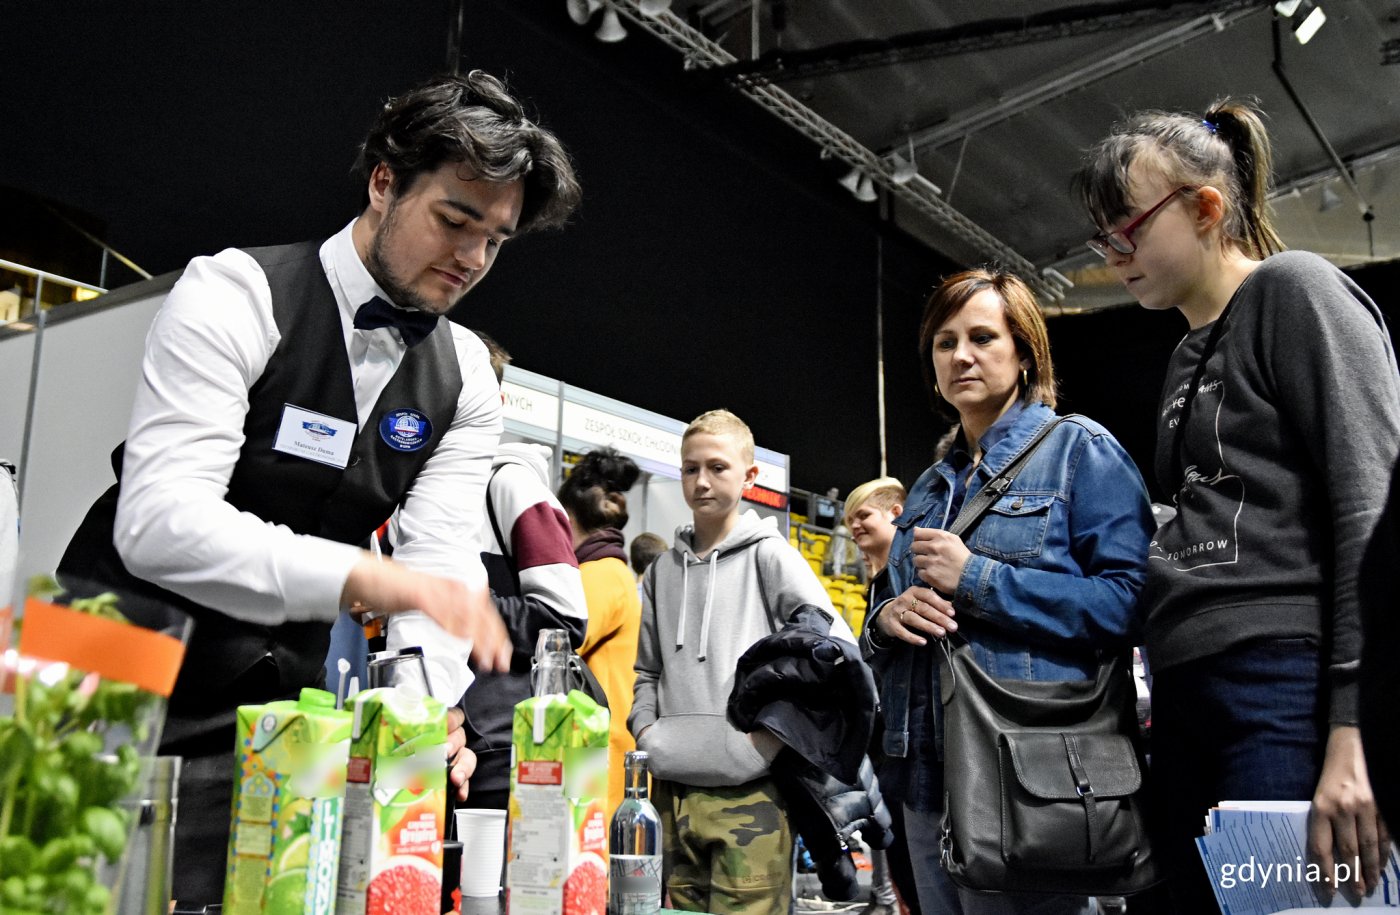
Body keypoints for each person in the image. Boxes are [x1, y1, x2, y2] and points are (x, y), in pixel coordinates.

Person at [56, 69, 580, 904]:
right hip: (103, 665)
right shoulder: (233, 292)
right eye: (456, 219)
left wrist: (416, 714)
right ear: (384, 183)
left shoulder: (467, 378)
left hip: (278, 702)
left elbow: (440, 556)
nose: (474, 258)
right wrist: (366, 576)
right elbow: (158, 522)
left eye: (497, 239)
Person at [1075, 99, 1399, 911]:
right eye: (1103, 237)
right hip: (1188, 698)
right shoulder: (1188, 352)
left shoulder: (1297, 292)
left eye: (1130, 229)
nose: (1116, 254)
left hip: (1281, 696)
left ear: (1207, 207)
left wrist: (1355, 731)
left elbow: (1372, 510)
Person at [861, 268, 1154, 915]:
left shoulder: (1080, 451)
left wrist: (978, 579)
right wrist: (886, 619)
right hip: (921, 781)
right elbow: (881, 615)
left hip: (1026, 781)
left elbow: (1129, 604)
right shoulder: (932, 486)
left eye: (982, 336)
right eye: (944, 341)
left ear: (1023, 352)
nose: (961, 354)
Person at [630, 409, 855, 913]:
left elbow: (830, 651)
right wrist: (647, 732)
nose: (701, 481)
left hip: (752, 795)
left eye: (717, 467)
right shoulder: (663, 571)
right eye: (691, 468)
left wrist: (767, 740)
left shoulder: (771, 555)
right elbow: (647, 670)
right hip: (672, 790)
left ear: (750, 476)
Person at [447, 332, 589, 811]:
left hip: (501, 747)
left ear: (498, 400)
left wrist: (455, 604)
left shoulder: (511, 484)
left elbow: (566, 622)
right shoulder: (422, 494)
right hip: (440, 736)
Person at [843, 477, 919, 915]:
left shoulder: (910, 579)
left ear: (896, 513)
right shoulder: (876, 584)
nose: (854, 525)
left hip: (907, 745)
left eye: (864, 514)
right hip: (881, 741)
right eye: (850, 518)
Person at [558, 446, 644, 817]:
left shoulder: (601, 573)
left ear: (566, 517)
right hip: (601, 752)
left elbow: (559, 643)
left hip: (601, 757)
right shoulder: (608, 570)